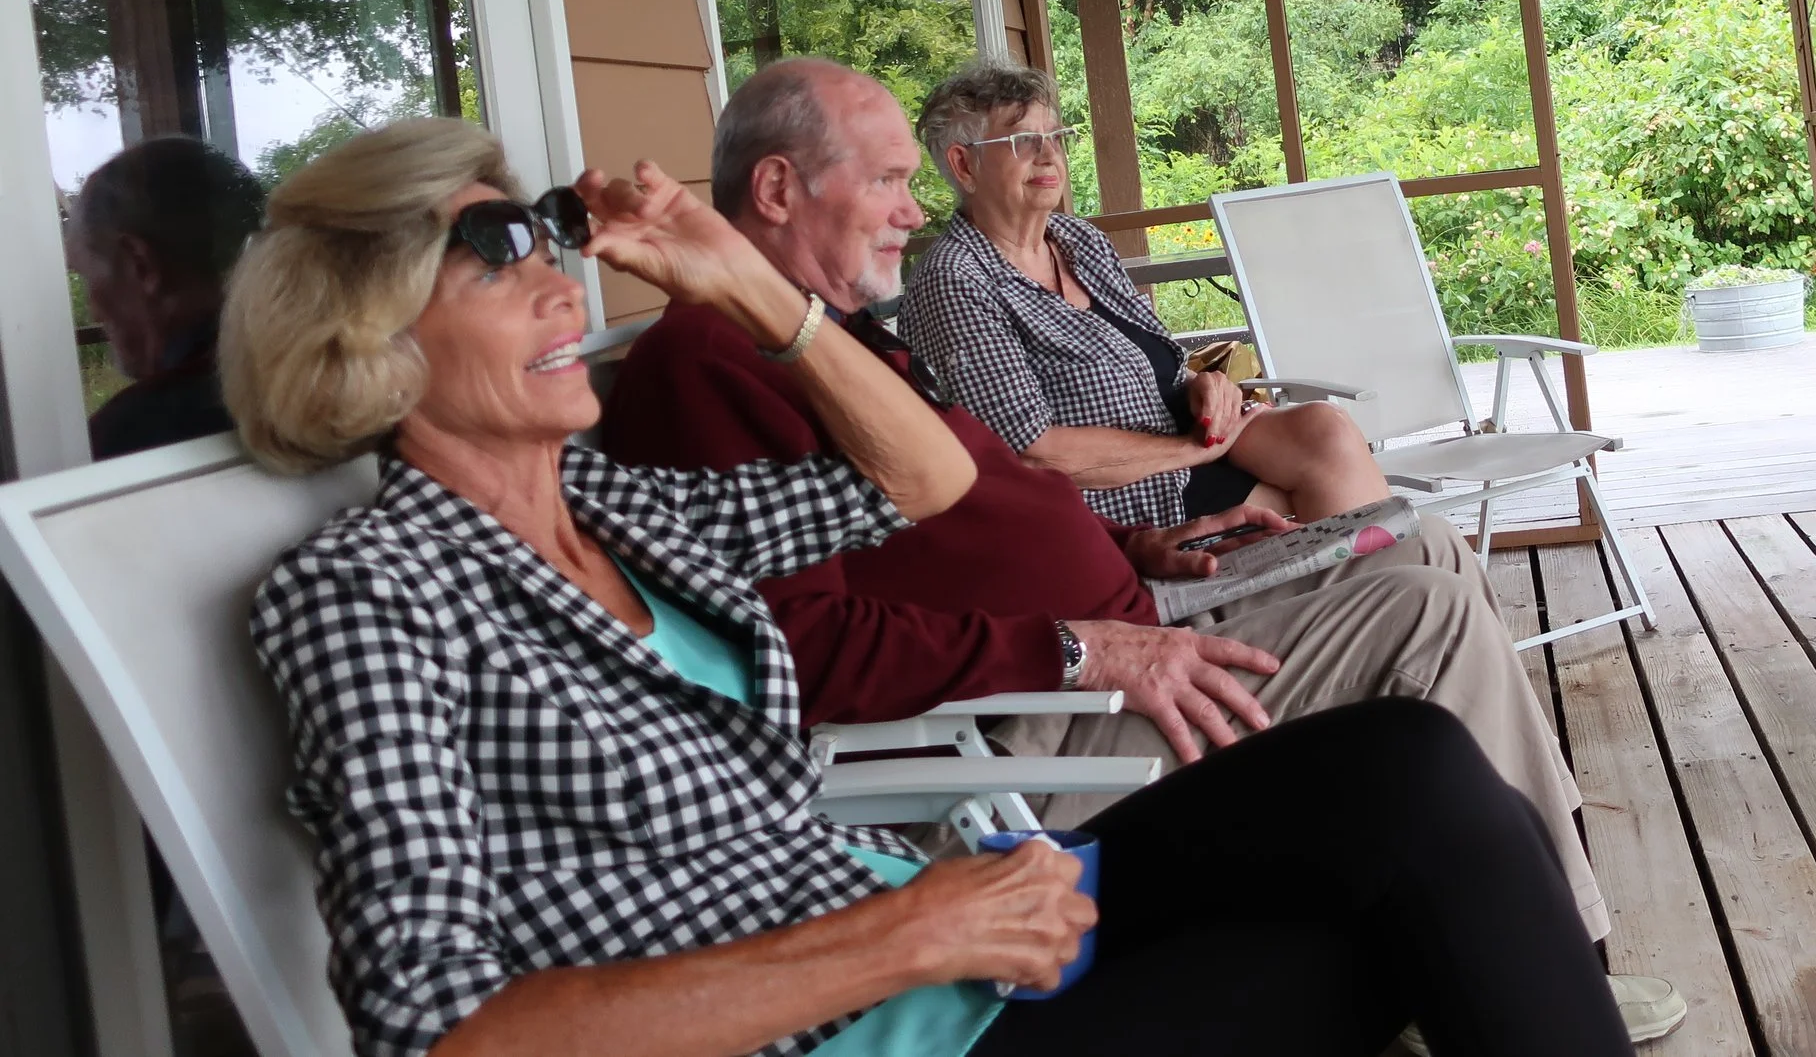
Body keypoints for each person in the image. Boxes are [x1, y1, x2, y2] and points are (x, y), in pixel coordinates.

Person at [233, 117, 1639, 1057]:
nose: (560, 291)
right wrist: (910, 924)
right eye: (497, 261)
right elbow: (433, 1026)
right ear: (374, 338)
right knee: (1400, 924)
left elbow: (921, 479)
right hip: (874, 1011)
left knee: (1403, 772)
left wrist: (746, 279)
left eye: (550, 245)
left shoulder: (619, 507)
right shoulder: (371, 592)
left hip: (942, 922)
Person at [604, 60, 1686, 1047]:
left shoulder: (840, 335)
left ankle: (1510, 931)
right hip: (1029, 715)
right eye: (887, 180)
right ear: (781, 189)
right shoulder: (712, 361)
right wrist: (1081, 648)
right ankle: (1544, 954)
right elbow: (798, 647)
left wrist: (1140, 540)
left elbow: (977, 507)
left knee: (1423, 548)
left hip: (1128, 610)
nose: (907, 210)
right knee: (1422, 614)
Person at [899, 63, 1386, 528]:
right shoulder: (956, 280)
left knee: (1328, 429)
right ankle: (1391, 592)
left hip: (1186, 434)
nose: (1049, 155)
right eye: (1023, 140)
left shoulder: (1077, 240)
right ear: (964, 165)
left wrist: (1206, 387)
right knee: (1327, 512)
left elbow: (1164, 362)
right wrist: (1193, 452)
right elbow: (1032, 450)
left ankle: (1397, 588)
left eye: (1055, 137)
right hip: (1125, 492)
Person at [67, 135, 264, 459]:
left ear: (140, 266)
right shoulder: (336, 384)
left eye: (89, 277)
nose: (93, 312)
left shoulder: (130, 436)